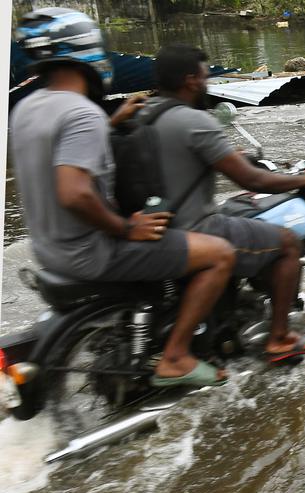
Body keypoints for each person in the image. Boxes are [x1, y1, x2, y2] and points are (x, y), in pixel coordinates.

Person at [10, 8, 235, 388]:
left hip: (49, 250)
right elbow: (74, 192)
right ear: (86, 49)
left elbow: (61, 157)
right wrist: (126, 227)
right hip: (91, 252)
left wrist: (110, 123)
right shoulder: (83, 113)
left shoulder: (26, 109)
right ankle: (176, 357)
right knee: (220, 254)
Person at [147, 44, 305, 362]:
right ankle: (280, 338)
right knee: (286, 243)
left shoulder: (144, 114)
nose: (207, 83)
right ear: (191, 80)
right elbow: (254, 182)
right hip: (194, 228)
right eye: (205, 76)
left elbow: (178, 160)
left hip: (153, 224)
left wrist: (232, 157)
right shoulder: (194, 120)